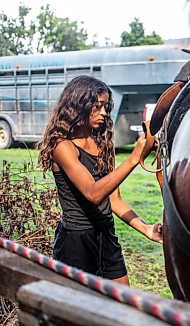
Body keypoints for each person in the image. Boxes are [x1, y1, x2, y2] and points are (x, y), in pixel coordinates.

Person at [36, 75, 162, 286]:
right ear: (79, 105)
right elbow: (93, 193)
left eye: (106, 106)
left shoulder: (102, 144)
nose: (104, 113)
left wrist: (147, 229)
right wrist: (134, 158)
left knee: (125, 304)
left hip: (106, 236)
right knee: (82, 312)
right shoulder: (62, 146)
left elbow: (114, 200)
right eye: (98, 106)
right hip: (76, 243)